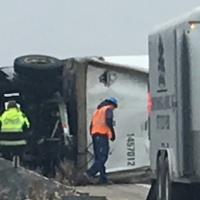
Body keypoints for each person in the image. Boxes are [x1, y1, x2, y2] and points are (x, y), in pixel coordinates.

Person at [84, 97, 118, 184]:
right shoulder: (108, 109)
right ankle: (90, 173)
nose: (113, 109)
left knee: (98, 158)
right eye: (114, 107)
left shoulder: (97, 111)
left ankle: (103, 179)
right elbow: (108, 121)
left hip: (95, 136)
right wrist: (112, 133)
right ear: (112, 104)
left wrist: (93, 135)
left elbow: (91, 125)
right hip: (102, 135)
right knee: (103, 157)